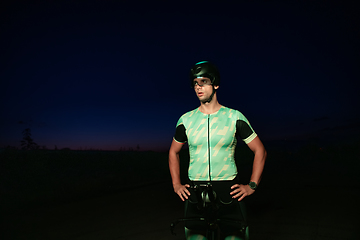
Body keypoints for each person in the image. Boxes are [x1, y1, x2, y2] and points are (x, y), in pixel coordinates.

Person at [168, 61, 267, 240]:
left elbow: (260, 150)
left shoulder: (234, 116)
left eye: (204, 81)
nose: (199, 87)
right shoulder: (185, 120)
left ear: (215, 84)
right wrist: (176, 184)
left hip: (228, 191)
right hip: (196, 193)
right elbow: (173, 152)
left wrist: (252, 185)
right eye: (196, 84)